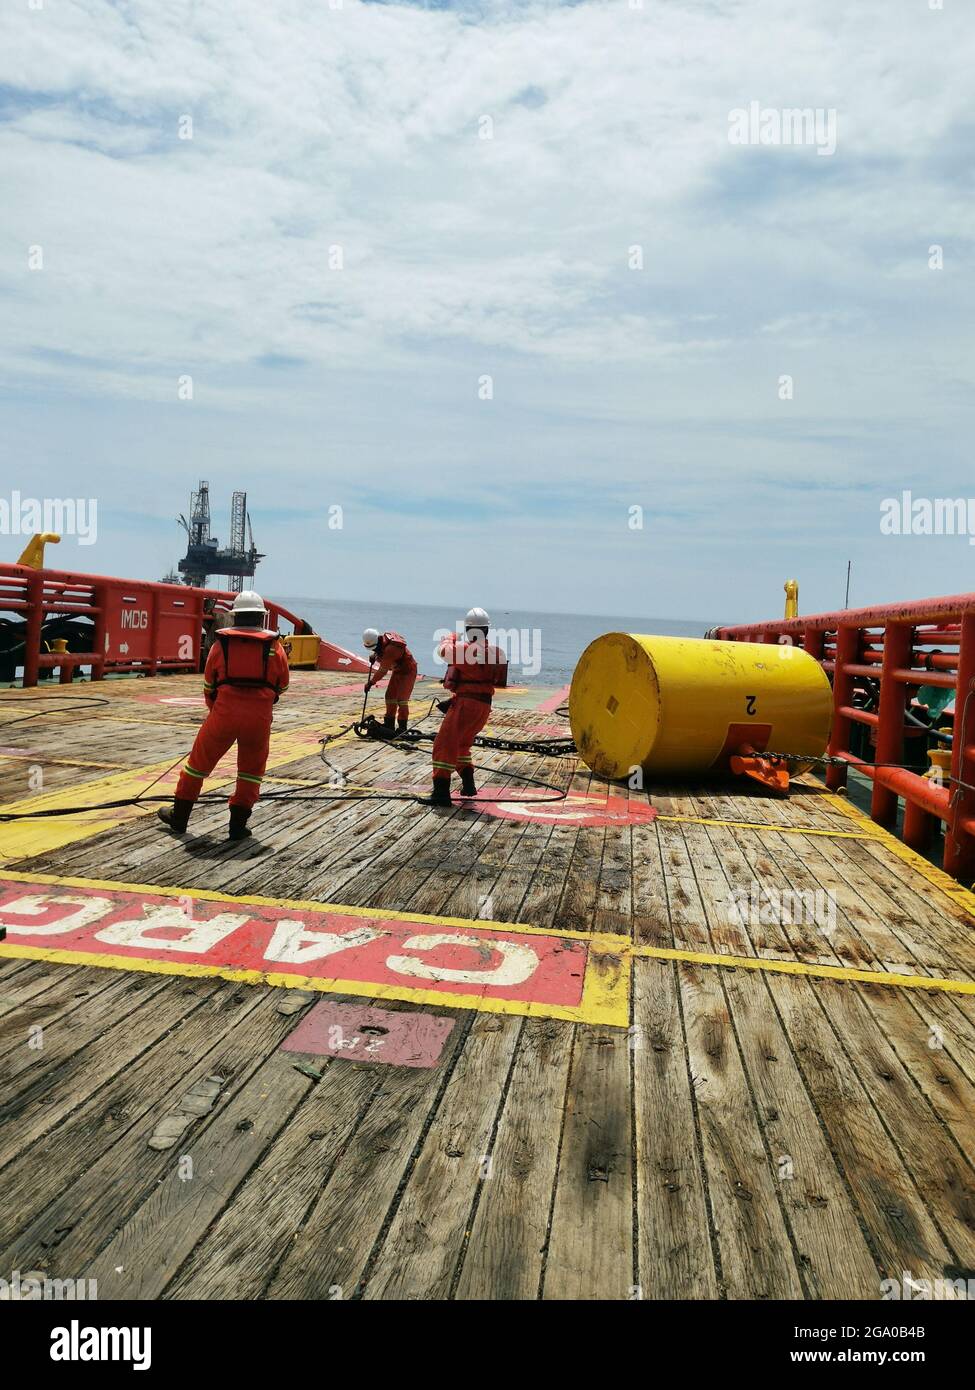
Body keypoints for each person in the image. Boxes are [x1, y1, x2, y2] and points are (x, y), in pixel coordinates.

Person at [158, 590, 290, 839]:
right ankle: (237, 826)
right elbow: (282, 686)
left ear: (235, 617)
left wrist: (216, 712)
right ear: (261, 618)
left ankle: (180, 817)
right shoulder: (275, 648)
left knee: (197, 766)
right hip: (258, 721)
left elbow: (209, 686)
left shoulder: (222, 645)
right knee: (250, 772)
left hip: (224, 715)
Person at [425, 607, 507, 806]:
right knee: (461, 745)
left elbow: (444, 651)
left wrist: (449, 637)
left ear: (469, 629)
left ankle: (441, 795)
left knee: (443, 746)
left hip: (466, 705)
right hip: (483, 706)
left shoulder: (465, 650)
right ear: (487, 630)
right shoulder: (496, 652)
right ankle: (468, 786)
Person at [362, 627, 418, 734]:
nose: (374, 650)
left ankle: (402, 727)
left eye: (374, 648)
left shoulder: (391, 649)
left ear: (378, 641)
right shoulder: (382, 643)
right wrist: (375, 655)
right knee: (390, 697)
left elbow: (383, 670)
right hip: (397, 670)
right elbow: (380, 652)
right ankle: (389, 724)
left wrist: (371, 682)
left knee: (401, 700)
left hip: (408, 671)